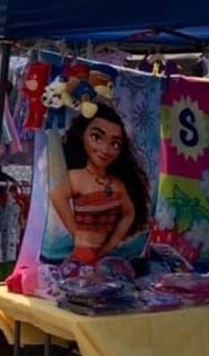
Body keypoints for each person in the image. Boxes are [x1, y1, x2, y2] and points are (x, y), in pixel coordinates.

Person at [50, 104, 151, 265]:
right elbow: (56, 197)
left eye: (115, 144)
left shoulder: (117, 184)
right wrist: (77, 234)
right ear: (82, 135)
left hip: (103, 259)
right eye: (97, 137)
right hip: (80, 257)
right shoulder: (76, 177)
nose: (105, 149)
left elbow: (129, 214)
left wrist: (109, 246)